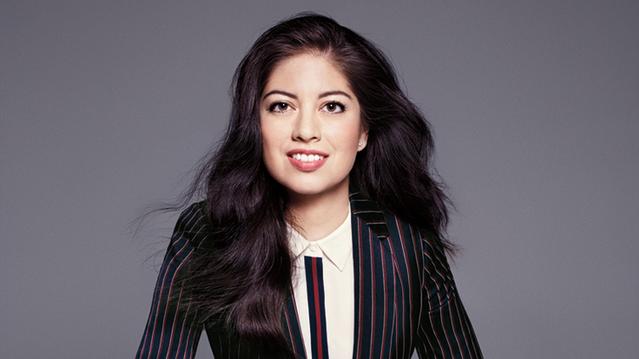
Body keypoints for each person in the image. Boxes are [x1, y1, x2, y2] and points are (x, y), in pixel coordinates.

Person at [135, 11, 483, 359]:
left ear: (363, 130)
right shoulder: (208, 231)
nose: (305, 130)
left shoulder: (409, 244)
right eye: (281, 106)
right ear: (256, 123)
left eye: (332, 106)